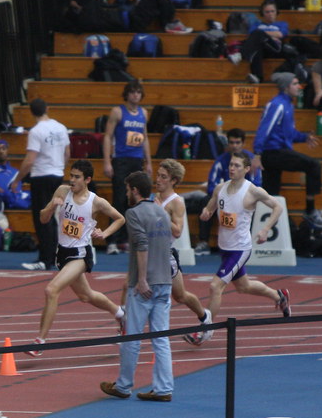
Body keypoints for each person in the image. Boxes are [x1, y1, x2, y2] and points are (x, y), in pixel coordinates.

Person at [25, 159, 125, 357]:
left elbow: (121, 218)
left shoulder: (96, 201)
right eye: (71, 176)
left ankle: (40, 341)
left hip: (81, 254)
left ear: (87, 179)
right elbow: (43, 219)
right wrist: (52, 206)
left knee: (51, 290)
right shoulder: (62, 192)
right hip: (62, 253)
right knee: (85, 296)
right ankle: (121, 314)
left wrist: (104, 234)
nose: (72, 180)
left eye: (77, 177)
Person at [100, 171, 174, 402]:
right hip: (164, 281)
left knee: (132, 336)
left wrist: (141, 279)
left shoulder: (133, 213)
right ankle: (163, 389)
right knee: (161, 338)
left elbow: (142, 245)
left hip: (145, 284)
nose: (126, 193)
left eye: (127, 189)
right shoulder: (162, 211)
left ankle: (123, 385)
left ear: (134, 190)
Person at [199, 151, 292, 330]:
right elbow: (211, 204)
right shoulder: (221, 188)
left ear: (247, 169)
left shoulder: (252, 191)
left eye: (237, 166)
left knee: (215, 286)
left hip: (240, 249)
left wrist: (265, 229)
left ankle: (205, 330)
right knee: (244, 286)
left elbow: (277, 207)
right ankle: (279, 296)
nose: (232, 168)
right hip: (224, 247)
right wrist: (206, 212)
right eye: (231, 165)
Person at [252, 72, 322, 228]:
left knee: (271, 194)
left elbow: (289, 133)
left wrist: (304, 137)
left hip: (276, 153)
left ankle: (268, 229)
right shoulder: (277, 105)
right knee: (313, 165)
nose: (298, 87)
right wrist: (257, 154)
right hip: (273, 153)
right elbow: (264, 130)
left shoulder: (288, 105)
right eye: (294, 84)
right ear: (286, 87)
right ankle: (310, 210)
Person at [154, 159, 215, 345]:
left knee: (179, 296)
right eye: (158, 175)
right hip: (151, 252)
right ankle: (127, 327)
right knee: (132, 287)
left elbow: (178, 231)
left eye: (163, 177)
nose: (158, 179)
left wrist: (160, 213)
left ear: (173, 180)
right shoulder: (155, 197)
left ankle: (205, 317)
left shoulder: (176, 202)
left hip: (165, 254)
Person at [11, 98, 70, 270]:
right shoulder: (61, 127)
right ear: (47, 108)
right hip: (57, 175)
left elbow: (30, 161)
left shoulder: (36, 131)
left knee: (43, 218)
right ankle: (52, 257)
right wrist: (59, 167)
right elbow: (67, 152)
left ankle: (45, 259)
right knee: (52, 218)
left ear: (31, 112)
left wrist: (17, 180)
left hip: (41, 177)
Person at [191, 128, 261, 255]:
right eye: (232, 142)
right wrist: (226, 195)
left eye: (238, 142)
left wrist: (240, 195)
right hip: (224, 197)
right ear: (228, 143)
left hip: (245, 197)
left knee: (254, 203)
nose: (234, 146)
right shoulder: (220, 161)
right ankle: (204, 242)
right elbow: (212, 185)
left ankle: (247, 241)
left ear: (243, 143)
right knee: (206, 201)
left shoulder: (250, 161)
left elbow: (257, 184)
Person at [102, 80, 151, 254]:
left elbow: (144, 137)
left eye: (138, 92)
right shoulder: (117, 112)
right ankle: (112, 241)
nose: (135, 95)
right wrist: (107, 161)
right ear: (127, 94)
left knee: (134, 202)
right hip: (121, 160)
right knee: (119, 200)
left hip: (136, 161)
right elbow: (107, 136)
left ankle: (124, 239)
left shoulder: (143, 113)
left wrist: (149, 162)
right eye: (132, 92)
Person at [241, 1, 294, 84]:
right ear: (262, 13)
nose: (270, 14)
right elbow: (251, 35)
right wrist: (271, 35)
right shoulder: (256, 24)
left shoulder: (282, 24)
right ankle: (258, 77)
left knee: (257, 35)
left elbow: (280, 34)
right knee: (256, 48)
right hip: (262, 50)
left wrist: (262, 34)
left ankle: (240, 54)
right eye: (267, 12)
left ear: (276, 12)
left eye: (272, 11)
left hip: (275, 48)